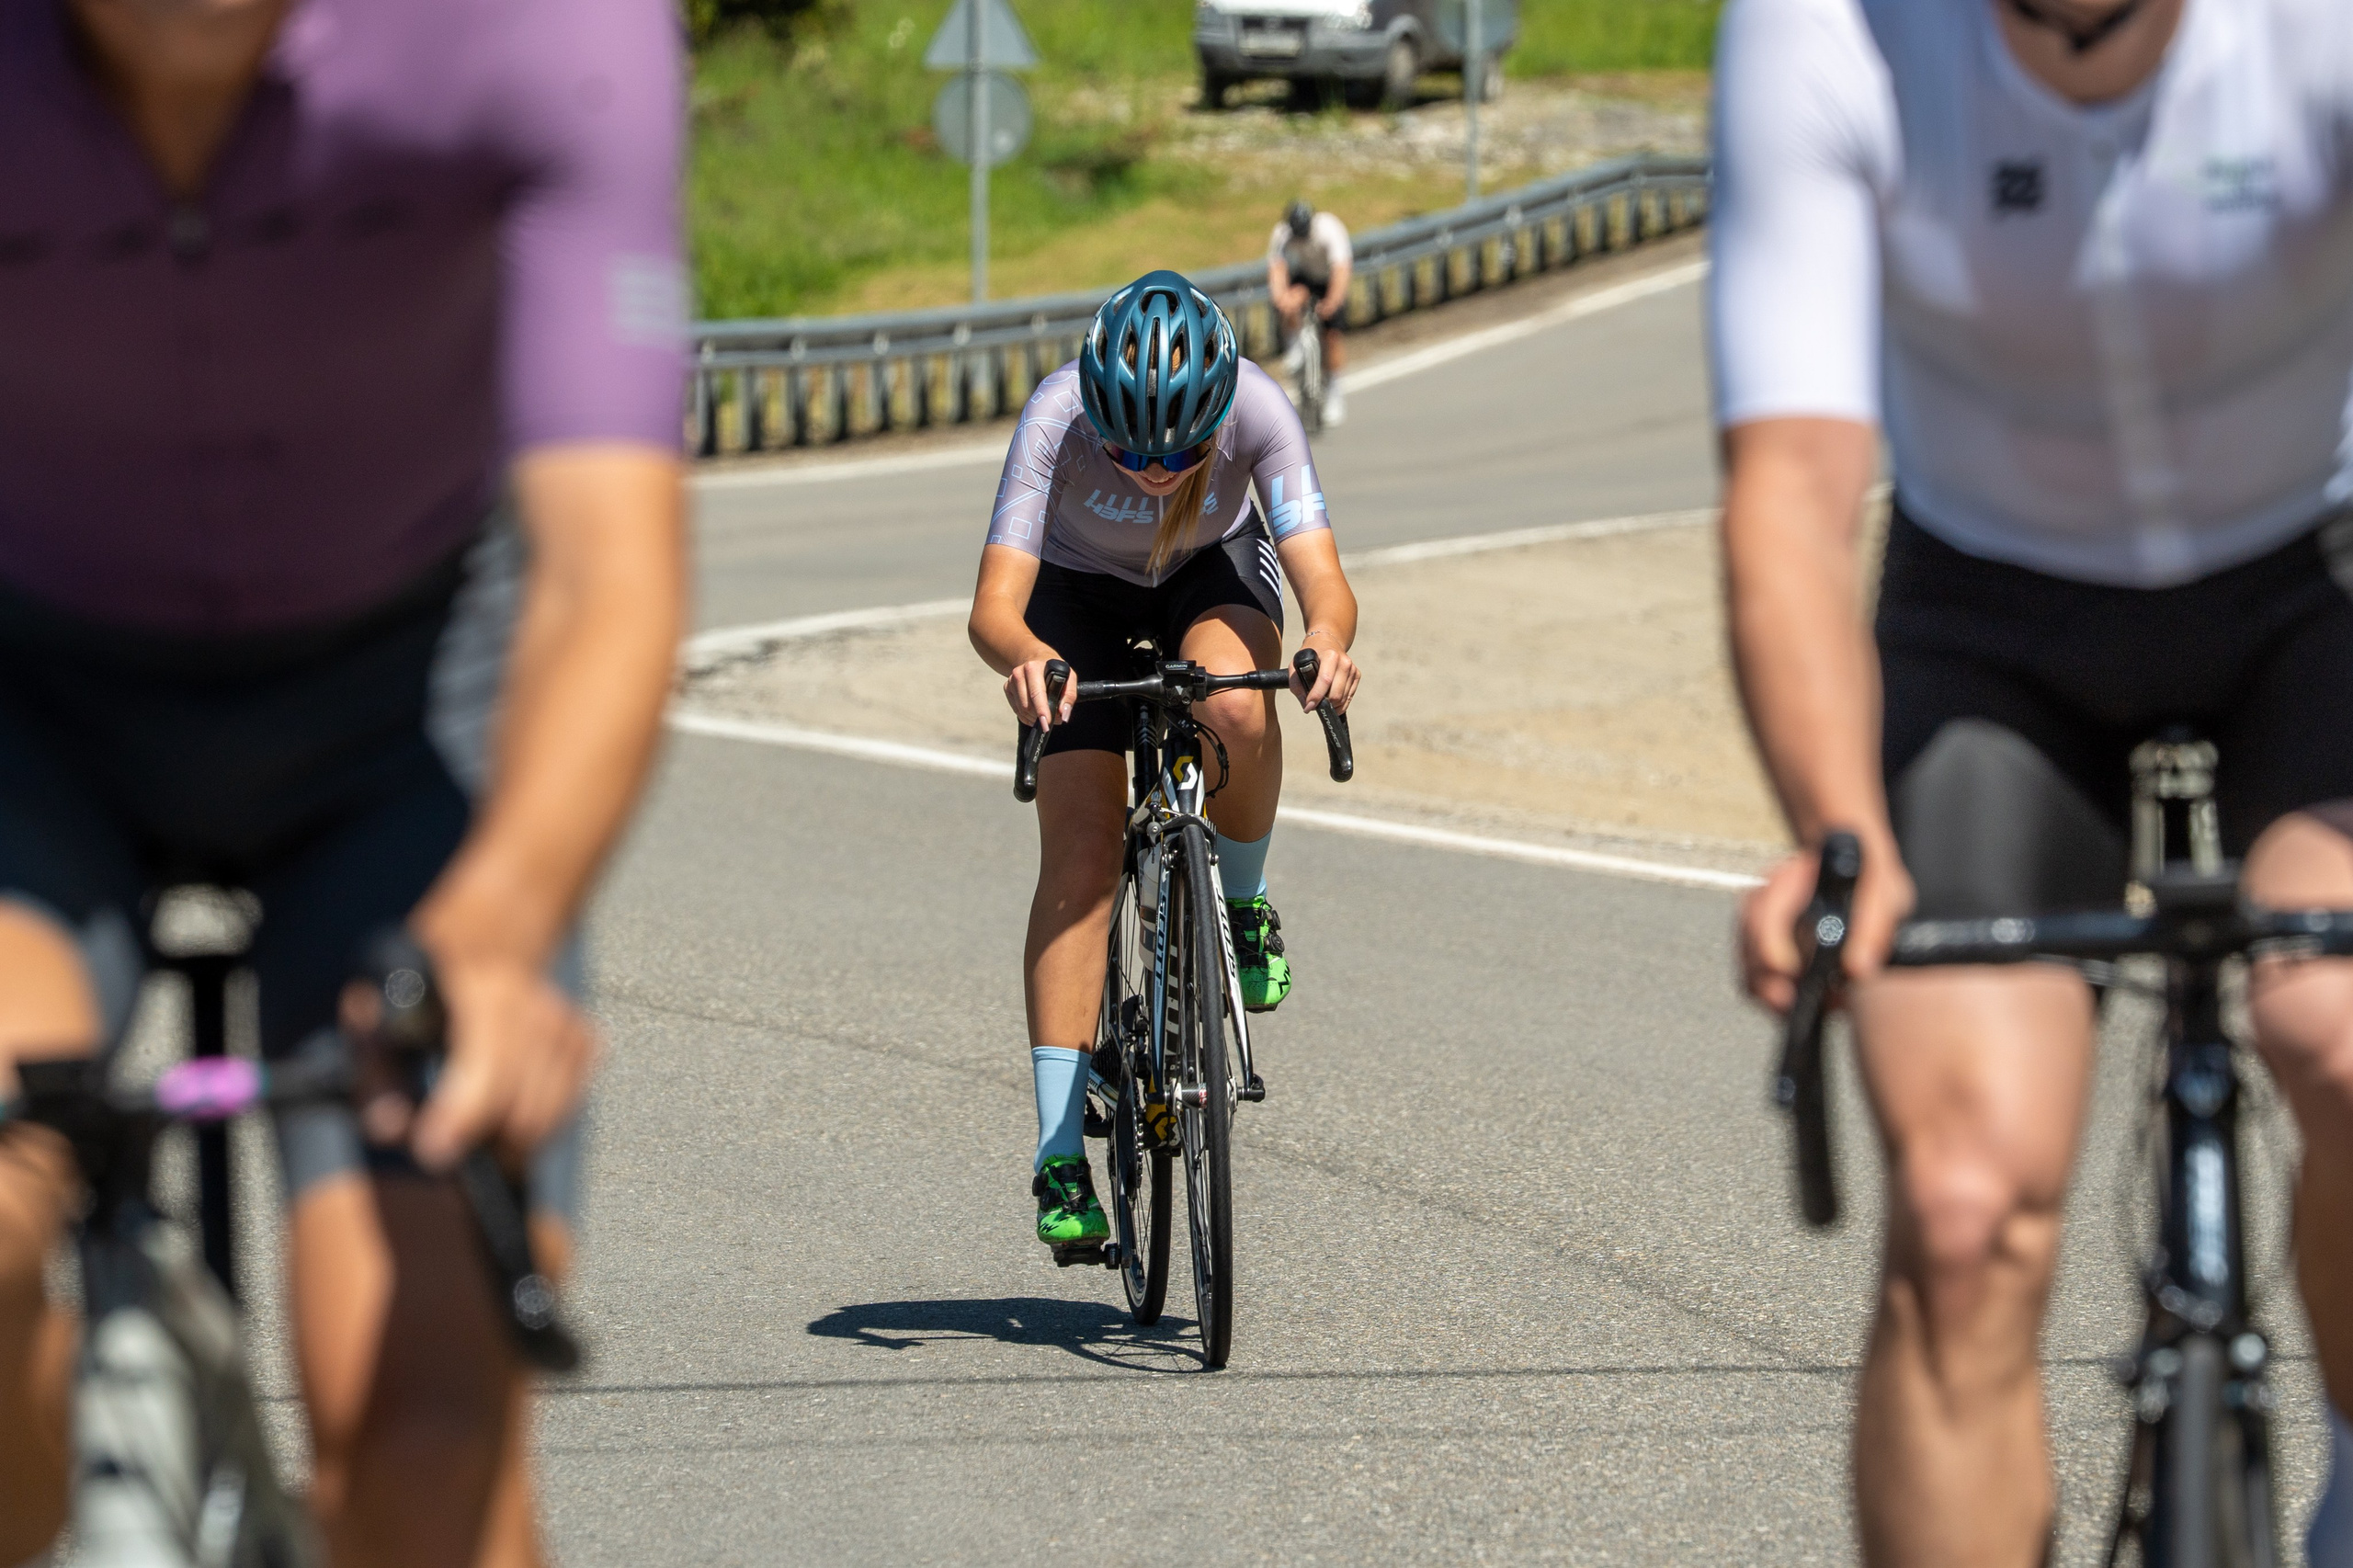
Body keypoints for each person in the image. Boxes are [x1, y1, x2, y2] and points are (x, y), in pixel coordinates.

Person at [0, 0, 687, 1561]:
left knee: (427, 1445)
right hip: (30, 708)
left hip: (402, 705)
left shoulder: (526, 29)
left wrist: (501, 924)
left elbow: (605, 568)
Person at [1711, 0, 2353, 1560]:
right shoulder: (1827, 30)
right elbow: (1790, 490)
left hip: (2315, 581)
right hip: (1991, 620)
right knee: (1962, 1208)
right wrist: (1838, 831)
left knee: (2340, 1035)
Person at [969, 269, 1362, 1252]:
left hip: (1208, 570)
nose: (1153, 471)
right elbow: (994, 608)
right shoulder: (1056, 415)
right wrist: (1030, 660)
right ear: (1095, 414)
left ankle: (1244, 901)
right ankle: (1061, 1151)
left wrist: (1326, 641)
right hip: (1075, 591)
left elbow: (1324, 582)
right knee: (1081, 855)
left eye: (1181, 452)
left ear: (1217, 414)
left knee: (1233, 701)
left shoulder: (1259, 407)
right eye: (1129, 450)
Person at [1267, 199, 1354, 425]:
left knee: (1332, 335)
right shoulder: (1282, 234)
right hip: (1304, 277)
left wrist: (1332, 302)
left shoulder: (1329, 229)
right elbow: (1277, 269)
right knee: (1291, 300)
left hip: (1328, 279)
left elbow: (1341, 270)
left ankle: (1334, 389)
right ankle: (1294, 345)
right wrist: (1281, 298)